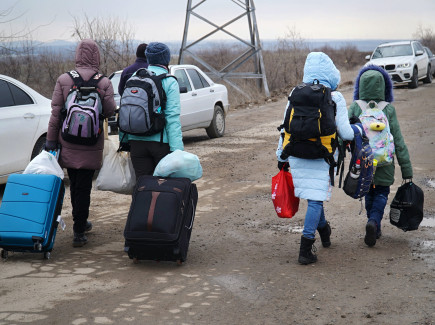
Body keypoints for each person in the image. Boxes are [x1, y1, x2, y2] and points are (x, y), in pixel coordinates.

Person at [276, 52, 356, 265]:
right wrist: (359, 130)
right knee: (315, 199)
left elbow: (285, 128)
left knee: (314, 196)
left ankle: (324, 229)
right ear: (331, 74)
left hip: (296, 153)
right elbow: (347, 134)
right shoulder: (334, 97)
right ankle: (305, 247)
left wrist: (280, 155)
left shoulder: (295, 93)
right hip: (323, 156)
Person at [46, 39, 116, 247]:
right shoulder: (103, 82)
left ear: (77, 55)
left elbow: (56, 114)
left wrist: (50, 141)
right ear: (96, 57)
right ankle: (79, 229)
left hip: (67, 141)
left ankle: (80, 222)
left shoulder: (64, 79)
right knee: (84, 186)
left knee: (74, 183)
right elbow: (110, 110)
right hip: (91, 142)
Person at [348, 65, 413, 247]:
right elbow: (398, 141)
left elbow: (345, 133)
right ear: (384, 87)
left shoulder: (355, 107)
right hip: (385, 163)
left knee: (368, 191)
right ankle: (374, 223)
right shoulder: (388, 109)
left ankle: (372, 223)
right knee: (382, 193)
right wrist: (407, 169)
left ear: (360, 86)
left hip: (363, 161)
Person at [119, 42, 184, 178]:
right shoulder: (169, 81)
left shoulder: (133, 78)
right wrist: (177, 150)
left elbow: (125, 111)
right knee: (163, 187)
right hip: (160, 143)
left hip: (136, 141)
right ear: (166, 59)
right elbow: (172, 117)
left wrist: (124, 140)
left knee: (143, 186)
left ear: (149, 58)